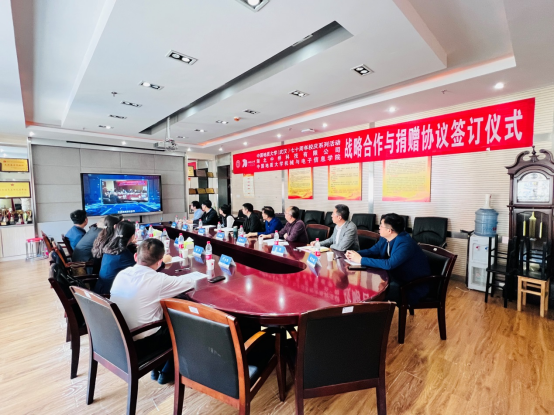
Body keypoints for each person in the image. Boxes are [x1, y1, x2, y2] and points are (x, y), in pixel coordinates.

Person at [110, 238, 195, 385]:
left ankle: (157, 368)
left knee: (163, 315)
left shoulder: (122, 274)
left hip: (115, 339)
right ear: (160, 261)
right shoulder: (159, 280)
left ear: (135, 256)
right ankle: (167, 372)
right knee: (184, 324)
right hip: (139, 345)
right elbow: (190, 282)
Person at [346, 213, 431, 305]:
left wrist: (360, 260)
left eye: (381, 226)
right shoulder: (385, 238)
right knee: (366, 287)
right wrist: (354, 254)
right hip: (394, 277)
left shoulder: (405, 243)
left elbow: (389, 264)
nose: (379, 228)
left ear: (389, 230)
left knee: (373, 295)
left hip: (411, 285)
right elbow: (372, 251)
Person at [94, 221, 137, 294]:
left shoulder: (109, 247)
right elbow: (140, 269)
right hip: (109, 294)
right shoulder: (124, 255)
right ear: (133, 236)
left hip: (100, 289)